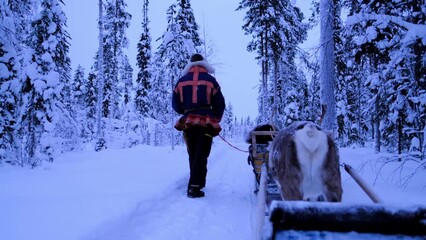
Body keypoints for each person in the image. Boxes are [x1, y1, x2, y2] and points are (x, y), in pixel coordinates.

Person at [172, 53, 225, 198]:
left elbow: (175, 105)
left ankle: (198, 182)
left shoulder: (181, 81)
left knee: (193, 153)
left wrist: (186, 111)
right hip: (206, 123)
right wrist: (215, 119)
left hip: (189, 122)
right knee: (202, 154)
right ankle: (195, 186)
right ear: (204, 64)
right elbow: (220, 104)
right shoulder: (211, 81)